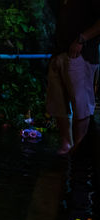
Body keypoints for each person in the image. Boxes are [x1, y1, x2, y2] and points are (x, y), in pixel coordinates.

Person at [46, 0, 100, 155]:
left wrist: (82, 39)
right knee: (58, 102)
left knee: (80, 103)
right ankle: (66, 144)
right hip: (59, 52)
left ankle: (80, 146)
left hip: (81, 54)